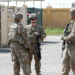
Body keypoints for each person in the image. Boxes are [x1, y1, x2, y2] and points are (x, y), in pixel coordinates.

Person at [61, 8, 75, 75]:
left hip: (73, 46)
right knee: (65, 63)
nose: (70, 15)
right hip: (68, 46)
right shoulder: (71, 23)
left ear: (73, 14)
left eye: (71, 14)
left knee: (73, 63)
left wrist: (65, 38)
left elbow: (73, 35)